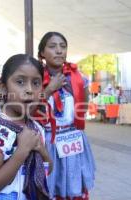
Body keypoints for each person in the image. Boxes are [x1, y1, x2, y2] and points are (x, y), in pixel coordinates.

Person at [0, 54, 52, 199]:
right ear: (3, 88)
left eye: (36, 83)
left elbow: (47, 169)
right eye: (20, 82)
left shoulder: (36, 128)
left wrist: (41, 150)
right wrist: (22, 150)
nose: (29, 90)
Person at [38, 32, 95, 199]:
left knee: (74, 181)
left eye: (63, 46)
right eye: (52, 46)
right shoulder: (35, 78)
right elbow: (30, 107)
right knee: (51, 185)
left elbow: (82, 109)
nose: (59, 51)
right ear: (42, 52)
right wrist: (49, 89)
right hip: (48, 140)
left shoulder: (78, 78)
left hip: (73, 138)